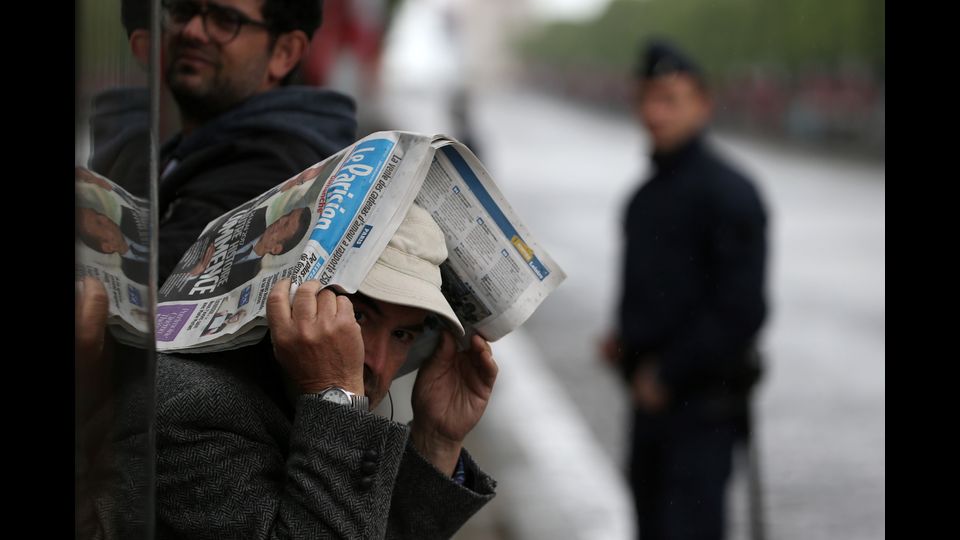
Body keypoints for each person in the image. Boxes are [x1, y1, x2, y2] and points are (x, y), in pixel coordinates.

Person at [153, 203, 498, 538]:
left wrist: (436, 442)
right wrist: (336, 394)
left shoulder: (279, 398)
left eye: (401, 334)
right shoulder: (201, 410)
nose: (375, 362)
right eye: (358, 316)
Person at [600, 39, 769, 540]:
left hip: (702, 410)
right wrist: (623, 343)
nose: (654, 112)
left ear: (703, 104)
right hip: (646, 404)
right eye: (647, 98)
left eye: (670, 99)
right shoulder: (643, 197)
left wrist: (667, 373)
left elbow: (742, 310)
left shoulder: (731, 194)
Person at [156, 0, 358, 284]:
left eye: (225, 20)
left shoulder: (273, 168)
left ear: (284, 53)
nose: (191, 31)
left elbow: (148, 289)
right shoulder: (197, 146)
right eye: (182, 11)